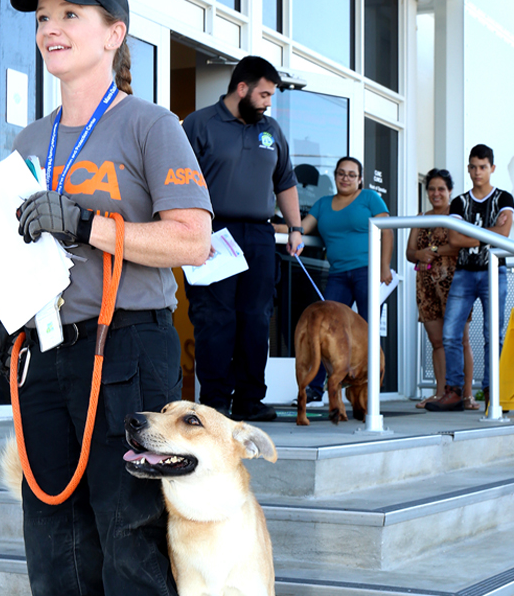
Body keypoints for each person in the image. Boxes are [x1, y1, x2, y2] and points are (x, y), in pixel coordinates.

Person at [0, 0, 212, 596]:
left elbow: (191, 240)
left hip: (128, 351)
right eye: (43, 17)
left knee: (131, 542)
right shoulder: (28, 141)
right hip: (46, 354)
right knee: (54, 550)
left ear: (114, 35)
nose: (51, 27)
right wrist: (2, 317)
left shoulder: (150, 124)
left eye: (71, 15)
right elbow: (10, 250)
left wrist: (90, 225)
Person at [182, 55, 303, 422]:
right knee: (215, 319)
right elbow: (177, 179)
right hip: (213, 232)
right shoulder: (200, 123)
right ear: (242, 88)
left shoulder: (271, 130)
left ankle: (250, 399)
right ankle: (215, 402)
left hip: (260, 236)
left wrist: (295, 228)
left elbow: (285, 182)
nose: (268, 102)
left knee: (255, 318)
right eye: (264, 94)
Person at [286, 156, 392, 402]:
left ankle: (369, 392)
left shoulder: (369, 199)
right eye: (341, 173)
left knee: (368, 331)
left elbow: (387, 231)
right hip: (338, 275)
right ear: (335, 176)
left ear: (360, 179)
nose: (346, 178)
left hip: (367, 272)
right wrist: (277, 229)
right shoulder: (323, 204)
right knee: (325, 330)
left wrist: (385, 266)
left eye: (351, 174)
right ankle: (314, 388)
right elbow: (302, 228)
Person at [427, 144, 514, 411]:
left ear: (492, 169)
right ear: (468, 168)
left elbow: (505, 234)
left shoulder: (504, 198)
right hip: (464, 273)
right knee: (451, 334)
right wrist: (489, 233)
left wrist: (472, 234)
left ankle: (492, 392)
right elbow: (454, 238)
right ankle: (453, 392)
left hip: (493, 271)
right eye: (473, 167)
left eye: (483, 167)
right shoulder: (459, 201)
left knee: (493, 336)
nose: (478, 172)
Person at [405, 168, 477, 409]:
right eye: (432, 189)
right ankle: (441, 393)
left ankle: (467, 395)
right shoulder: (420, 218)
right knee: (436, 341)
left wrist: (432, 252)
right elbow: (409, 253)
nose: (436, 193)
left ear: (450, 191)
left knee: (460, 340)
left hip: (455, 282)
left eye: (441, 189)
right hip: (425, 285)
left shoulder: (456, 216)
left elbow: (459, 247)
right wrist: (419, 254)